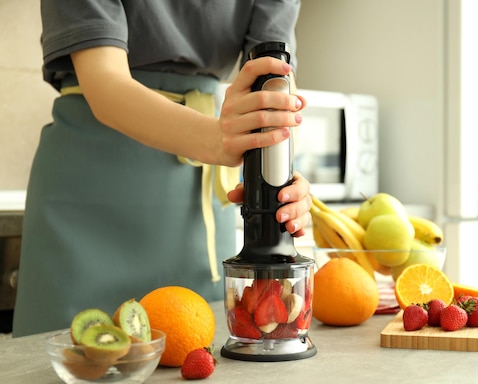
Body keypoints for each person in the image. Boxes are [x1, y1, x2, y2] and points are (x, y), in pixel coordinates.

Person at [12, 0, 310, 337]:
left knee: (195, 356)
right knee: (62, 367)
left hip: (197, 198)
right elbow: (103, 80)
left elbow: (275, 82)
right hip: (88, 189)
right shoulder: (215, 139)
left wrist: (278, 177)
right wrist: (216, 139)